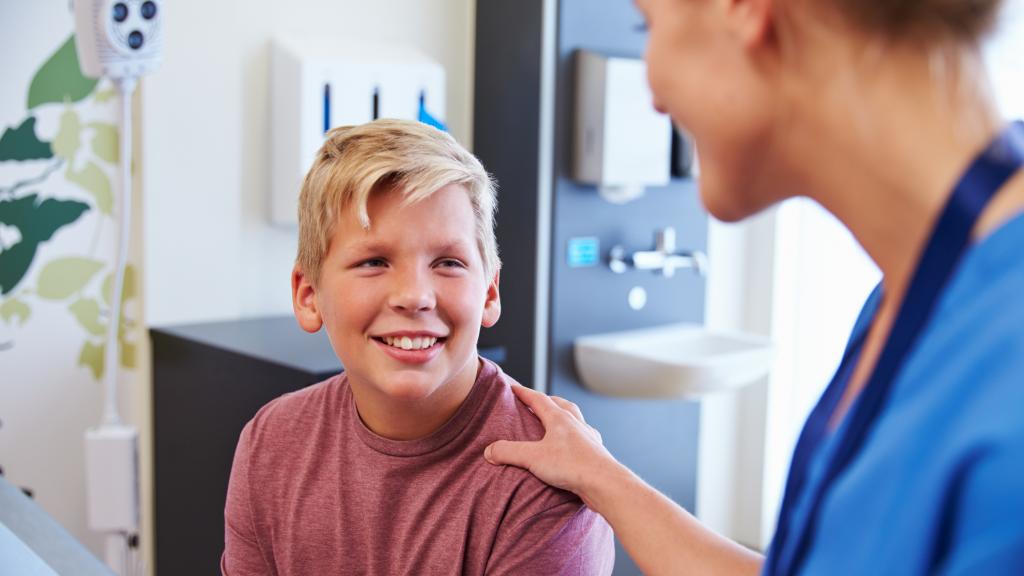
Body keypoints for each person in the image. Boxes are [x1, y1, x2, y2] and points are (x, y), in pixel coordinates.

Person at [484, 0, 1024, 574]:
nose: (654, 94)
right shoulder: (913, 299)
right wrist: (599, 476)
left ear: (742, 9)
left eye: (651, 27)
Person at [221, 119, 614, 575]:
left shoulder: (546, 481)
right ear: (309, 296)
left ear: (488, 292)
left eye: (448, 262)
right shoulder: (269, 443)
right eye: (374, 262)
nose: (415, 295)